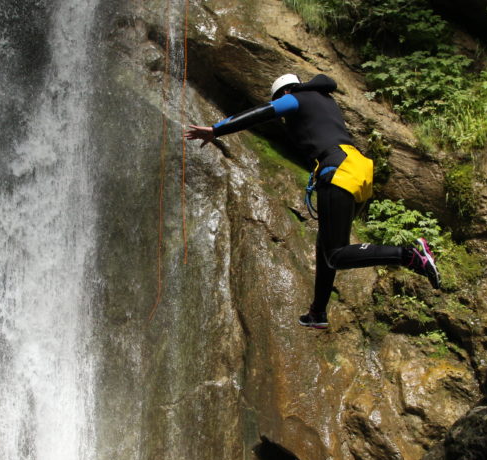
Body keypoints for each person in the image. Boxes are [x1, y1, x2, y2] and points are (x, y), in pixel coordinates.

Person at [184, 73, 440, 329]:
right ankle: (318, 312)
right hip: (358, 169)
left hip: (337, 170)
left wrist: (217, 130)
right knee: (327, 247)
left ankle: (409, 255)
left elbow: (263, 112)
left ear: (284, 92)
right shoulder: (325, 100)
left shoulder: (294, 98)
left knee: (336, 255)